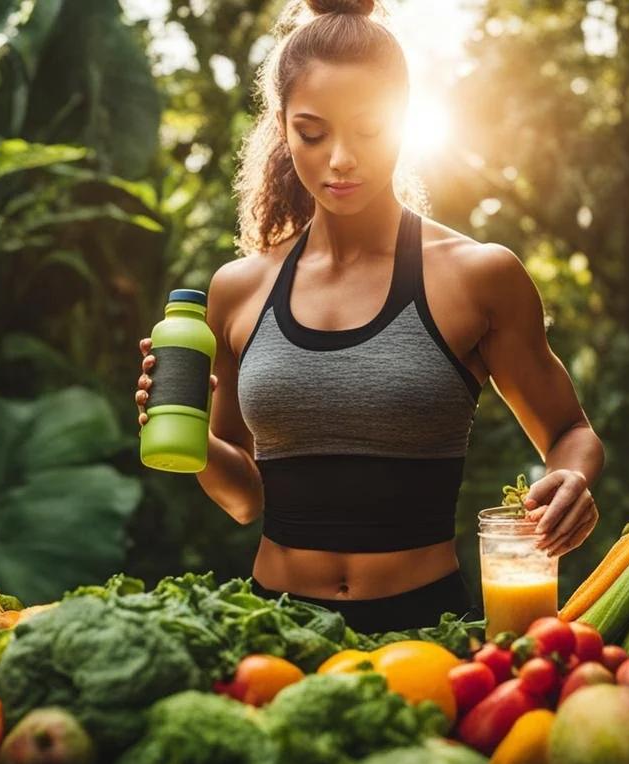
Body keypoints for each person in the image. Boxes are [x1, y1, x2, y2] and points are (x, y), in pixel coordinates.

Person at [135, 0, 604, 634]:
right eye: (313, 131)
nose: (340, 159)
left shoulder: (478, 276)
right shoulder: (238, 291)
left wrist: (571, 475)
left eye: (368, 130)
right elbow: (245, 499)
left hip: (427, 631)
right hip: (275, 631)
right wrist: (183, 437)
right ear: (282, 126)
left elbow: (569, 429)